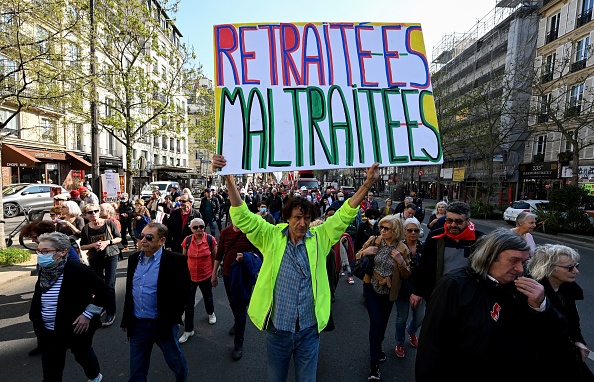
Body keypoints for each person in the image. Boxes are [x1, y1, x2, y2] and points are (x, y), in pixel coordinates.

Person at [212, 153, 380, 382]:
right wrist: (229, 178)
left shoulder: (320, 237)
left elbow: (344, 214)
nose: (302, 223)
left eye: (307, 218)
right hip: (278, 330)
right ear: (287, 218)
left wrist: (368, 183)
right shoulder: (271, 236)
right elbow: (242, 217)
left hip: (309, 330)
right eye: (298, 217)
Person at [415, 229, 557, 382]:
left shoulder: (524, 288)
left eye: (524, 262)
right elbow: (432, 343)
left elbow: (550, 335)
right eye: (514, 261)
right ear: (489, 257)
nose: (520, 269)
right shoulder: (454, 285)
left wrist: (540, 306)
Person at [29, 232, 108, 382]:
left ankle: (95, 377)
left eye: (45, 251)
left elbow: (105, 293)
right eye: (39, 251)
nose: (41, 255)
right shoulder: (45, 271)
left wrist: (88, 314)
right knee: (51, 373)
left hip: (75, 328)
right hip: (49, 331)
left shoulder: (78, 270)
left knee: (83, 355)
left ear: (63, 252)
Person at [120, 223, 191, 382]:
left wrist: (171, 318)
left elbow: (184, 293)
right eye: (141, 236)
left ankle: (182, 378)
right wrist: (126, 319)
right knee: (137, 369)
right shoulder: (133, 259)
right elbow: (130, 292)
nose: (143, 240)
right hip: (138, 324)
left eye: (149, 237)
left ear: (162, 240)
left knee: (174, 359)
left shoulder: (175, 260)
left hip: (163, 324)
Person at [527, 244, 594, 381]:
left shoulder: (568, 290)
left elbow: (573, 322)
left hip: (569, 354)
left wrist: (578, 341)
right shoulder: (530, 293)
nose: (576, 271)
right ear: (548, 267)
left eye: (576, 265)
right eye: (569, 267)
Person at [355, 215, 410, 380]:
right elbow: (357, 256)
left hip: (389, 291)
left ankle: (378, 349)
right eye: (381, 228)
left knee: (383, 323)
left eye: (387, 228)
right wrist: (365, 252)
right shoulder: (374, 240)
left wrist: (400, 261)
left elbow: (406, 275)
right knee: (376, 322)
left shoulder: (402, 248)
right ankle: (374, 365)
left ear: (396, 231)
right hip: (371, 287)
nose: (383, 231)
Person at [410, 201, 484, 308]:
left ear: (468, 221)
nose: (453, 225)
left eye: (458, 221)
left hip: (469, 295)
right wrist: (418, 291)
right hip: (440, 292)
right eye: (449, 220)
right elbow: (424, 265)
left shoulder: (480, 240)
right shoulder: (435, 237)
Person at [212, 221, 261, 360]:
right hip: (228, 275)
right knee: (233, 304)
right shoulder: (226, 232)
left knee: (240, 309)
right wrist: (214, 273)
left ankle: (238, 344)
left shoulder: (250, 231)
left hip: (243, 276)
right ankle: (236, 322)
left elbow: (260, 253)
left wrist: (246, 257)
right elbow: (220, 253)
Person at [79, 203, 122, 327]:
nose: (94, 214)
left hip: (110, 256)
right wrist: (93, 245)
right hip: (95, 258)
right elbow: (82, 245)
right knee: (98, 284)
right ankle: (102, 306)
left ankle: (111, 312)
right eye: (90, 212)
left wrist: (106, 242)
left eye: (96, 211)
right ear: (86, 215)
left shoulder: (108, 223)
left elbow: (118, 238)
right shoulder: (86, 229)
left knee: (109, 283)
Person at [178, 218, 218, 344]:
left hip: (206, 275)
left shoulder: (210, 240)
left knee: (208, 297)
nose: (199, 229)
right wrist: (182, 276)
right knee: (188, 303)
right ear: (191, 229)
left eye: (201, 226)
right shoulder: (188, 240)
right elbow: (183, 259)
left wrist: (214, 275)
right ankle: (189, 330)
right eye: (195, 227)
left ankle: (211, 313)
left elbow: (215, 258)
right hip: (190, 277)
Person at [393, 217, 425, 359]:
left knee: (419, 318)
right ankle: (399, 342)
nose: (413, 233)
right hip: (402, 287)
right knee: (401, 317)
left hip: (419, 288)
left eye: (416, 230)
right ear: (404, 232)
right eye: (409, 230)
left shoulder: (424, 247)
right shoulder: (398, 247)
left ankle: (411, 331)